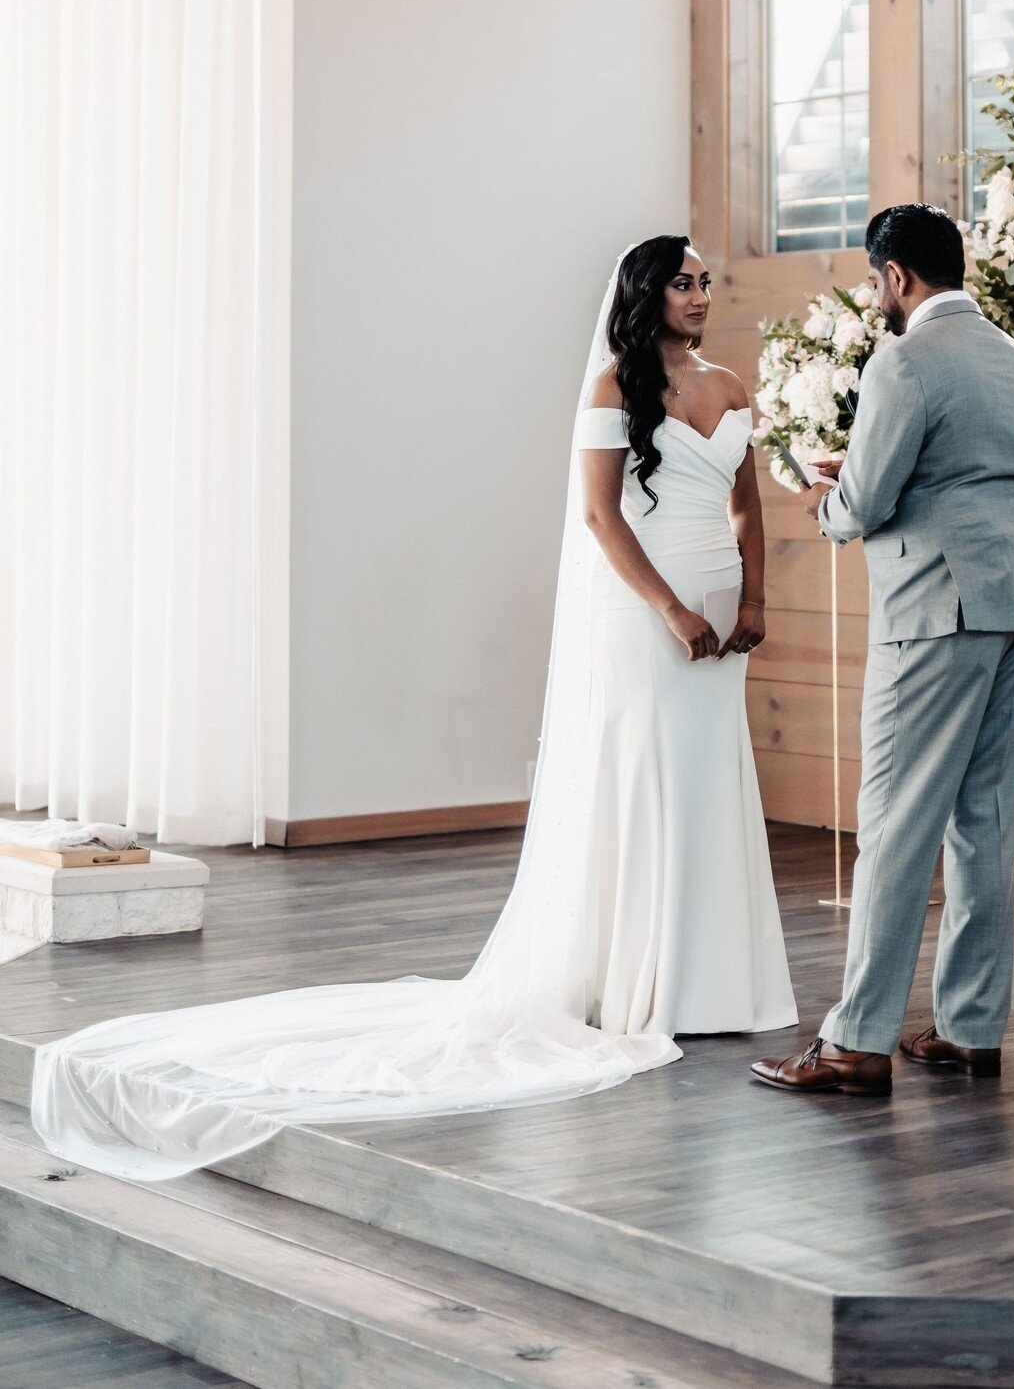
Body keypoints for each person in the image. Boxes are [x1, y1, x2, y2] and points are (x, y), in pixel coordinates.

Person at [32, 237, 794, 1181]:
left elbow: (746, 507)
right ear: (646, 293)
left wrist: (752, 600)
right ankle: (636, 982)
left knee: (708, 782)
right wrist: (671, 607)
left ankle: (713, 979)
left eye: (705, 281)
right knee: (640, 776)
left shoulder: (730, 386)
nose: (700, 295)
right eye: (683, 282)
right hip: (646, 610)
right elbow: (600, 518)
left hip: (721, 607)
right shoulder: (611, 391)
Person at [752, 204, 1014, 1098]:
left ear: (896, 277)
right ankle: (969, 1030)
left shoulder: (903, 360)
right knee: (985, 818)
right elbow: (985, 475)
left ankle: (855, 1042)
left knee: (893, 822)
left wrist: (829, 500)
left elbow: (873, 496)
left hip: (935, 605)